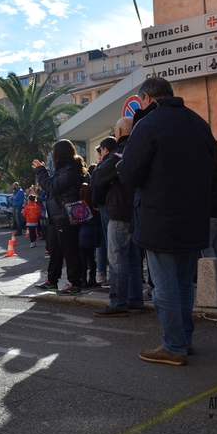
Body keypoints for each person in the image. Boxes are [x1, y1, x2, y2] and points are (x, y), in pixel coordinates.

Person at [118, 76, 217, 366]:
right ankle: (184, 341)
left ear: (147, 98)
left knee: (165, 287)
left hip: (160, 217)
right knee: (184, 283)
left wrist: (123, 163)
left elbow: (130, 174)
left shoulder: (148, 125)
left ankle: (173, 346)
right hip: (194, 217)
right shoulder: (198, 123)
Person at [94, 117, 144, 318]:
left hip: (119, 211)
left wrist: (112, 179)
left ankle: (117, 303)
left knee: (117, 259)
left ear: (120, 132)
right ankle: (135, 300)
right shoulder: (139, 149)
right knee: (133, 258)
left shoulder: (119, 150)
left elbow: (99, 176)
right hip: (135, 211)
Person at [32, 140, 86, 295]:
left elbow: (53, 186)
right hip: (58, 215)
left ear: (60, 153)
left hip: (64, 215)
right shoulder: (63, 169)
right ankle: (52, 280)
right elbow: (52, 184)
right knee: (55, 249)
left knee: (70, 250)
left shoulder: (68, 170)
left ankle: (75, 284)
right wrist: (44, 171)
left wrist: (41, 171)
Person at [91, 137, 117, 286]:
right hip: (117, 207)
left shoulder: (104, 166)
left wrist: (95, 203)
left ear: (105, 149)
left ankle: (108, 276)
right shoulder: (121, 159)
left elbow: (97, 187)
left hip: (107, 207)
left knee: (108, 243)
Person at [78, 183, 101, 287]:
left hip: (82, 233)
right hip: (93, 233)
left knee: (83, 258)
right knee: (91, 258)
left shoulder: (79, 207)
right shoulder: (94, 207)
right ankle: (93, 278)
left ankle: (83, 279)